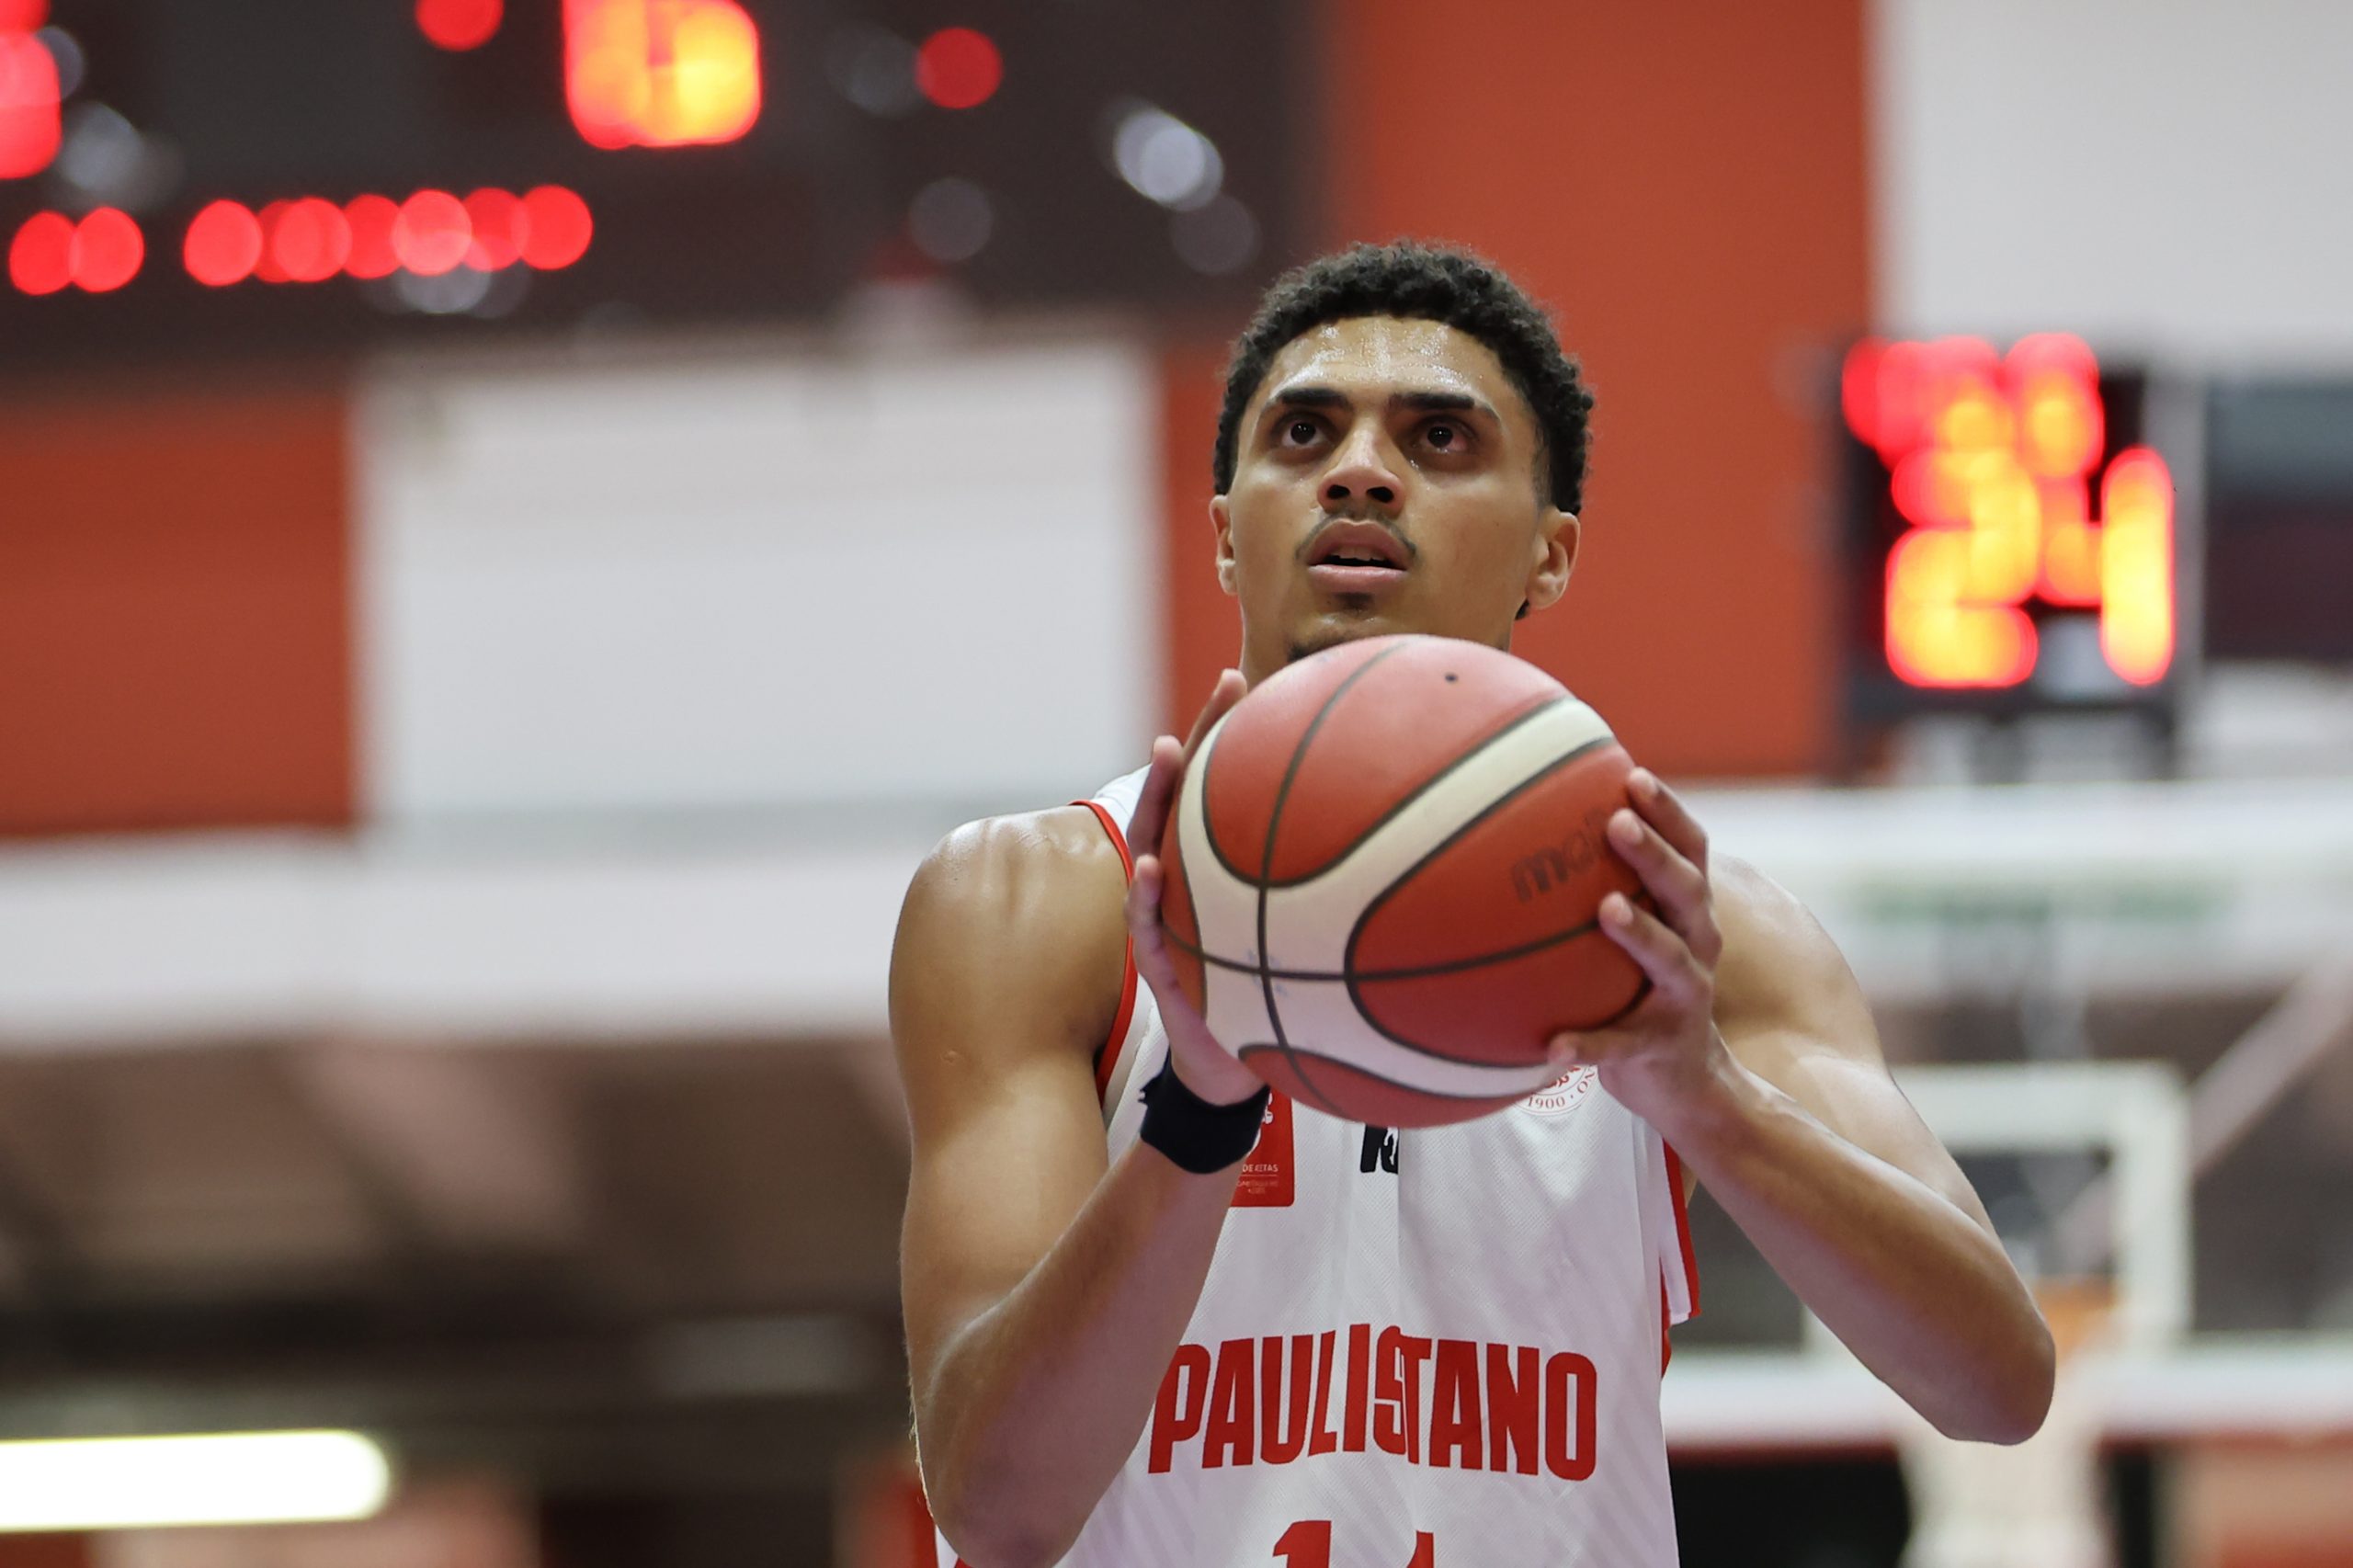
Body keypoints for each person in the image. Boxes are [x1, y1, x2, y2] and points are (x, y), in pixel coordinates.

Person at [890, 241, 2054, 1568]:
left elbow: (1996, 1384)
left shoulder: (1687, 935)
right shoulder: (1033, 899)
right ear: (1223, 531)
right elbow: (998, 1507)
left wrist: (1707, 1099)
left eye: (1440, 438)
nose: (1360, 471)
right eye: (1303, 432)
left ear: (1550, 557)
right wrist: (1198, 1107)